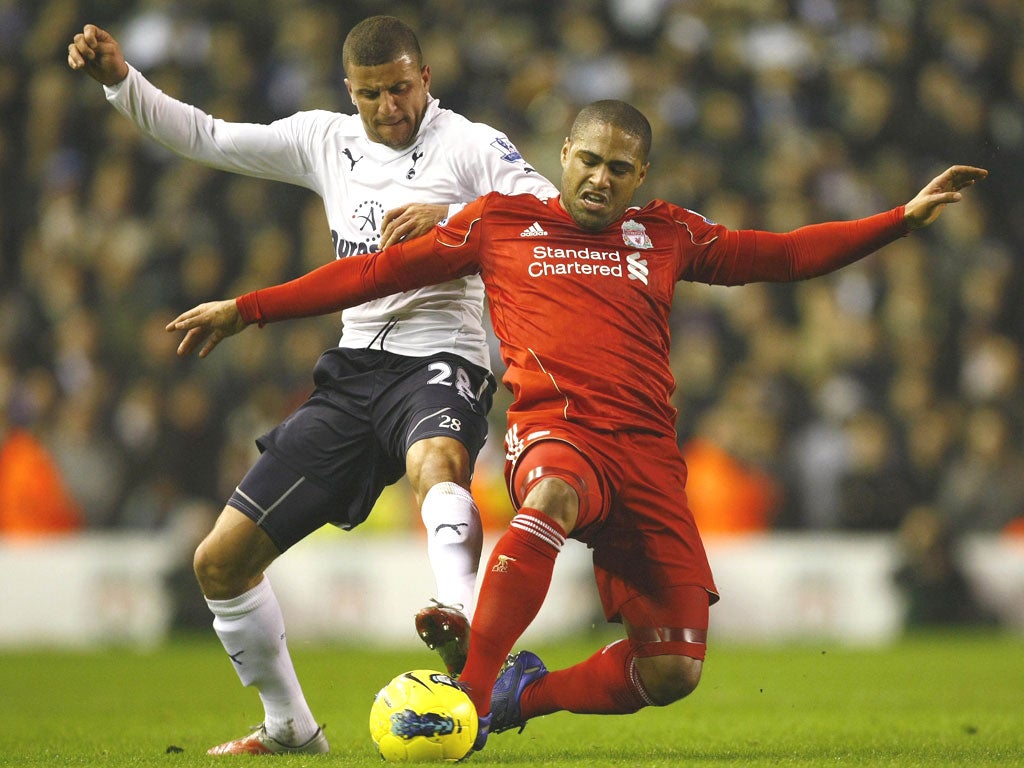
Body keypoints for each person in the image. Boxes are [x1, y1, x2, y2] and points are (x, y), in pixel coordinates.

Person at [167, 99, 986, 752]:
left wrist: (898, 220)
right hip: (557, 434)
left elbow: (782, 254)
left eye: (618, 168)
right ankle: (472, 699)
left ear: (641, 176)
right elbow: (373, 273)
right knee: (552, 491)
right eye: (588, 160)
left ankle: (525, 694)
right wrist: (248, 309)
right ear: (562, 156)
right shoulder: (498, 224)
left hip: (650, 463)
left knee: (671, 670)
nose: (599, 178)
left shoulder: (668, 234)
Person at [68, 15, 556, 755]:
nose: (388, 107)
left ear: (425, 78)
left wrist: (456, 216)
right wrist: (119, 84)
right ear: (348, 91)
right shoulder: (325, 140)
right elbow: (206, 137)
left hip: (443, 358)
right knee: (219, 562)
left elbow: (549, 210)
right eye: (370, 95)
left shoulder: (471, 145)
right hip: (354, 373)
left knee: (438, 463)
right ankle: (289, 725)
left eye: (399, 89)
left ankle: (455, 611)